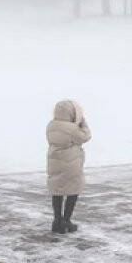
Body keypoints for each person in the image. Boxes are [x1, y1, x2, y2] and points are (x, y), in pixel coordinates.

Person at [47, 100, 91, 234]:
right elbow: (86, 136)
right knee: (73, 190)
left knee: (57, 190)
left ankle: (57, 221)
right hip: (71, 163)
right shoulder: (72, 129)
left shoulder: (51, 125)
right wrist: (83, 123)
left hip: (55, 162)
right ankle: (66, 221)